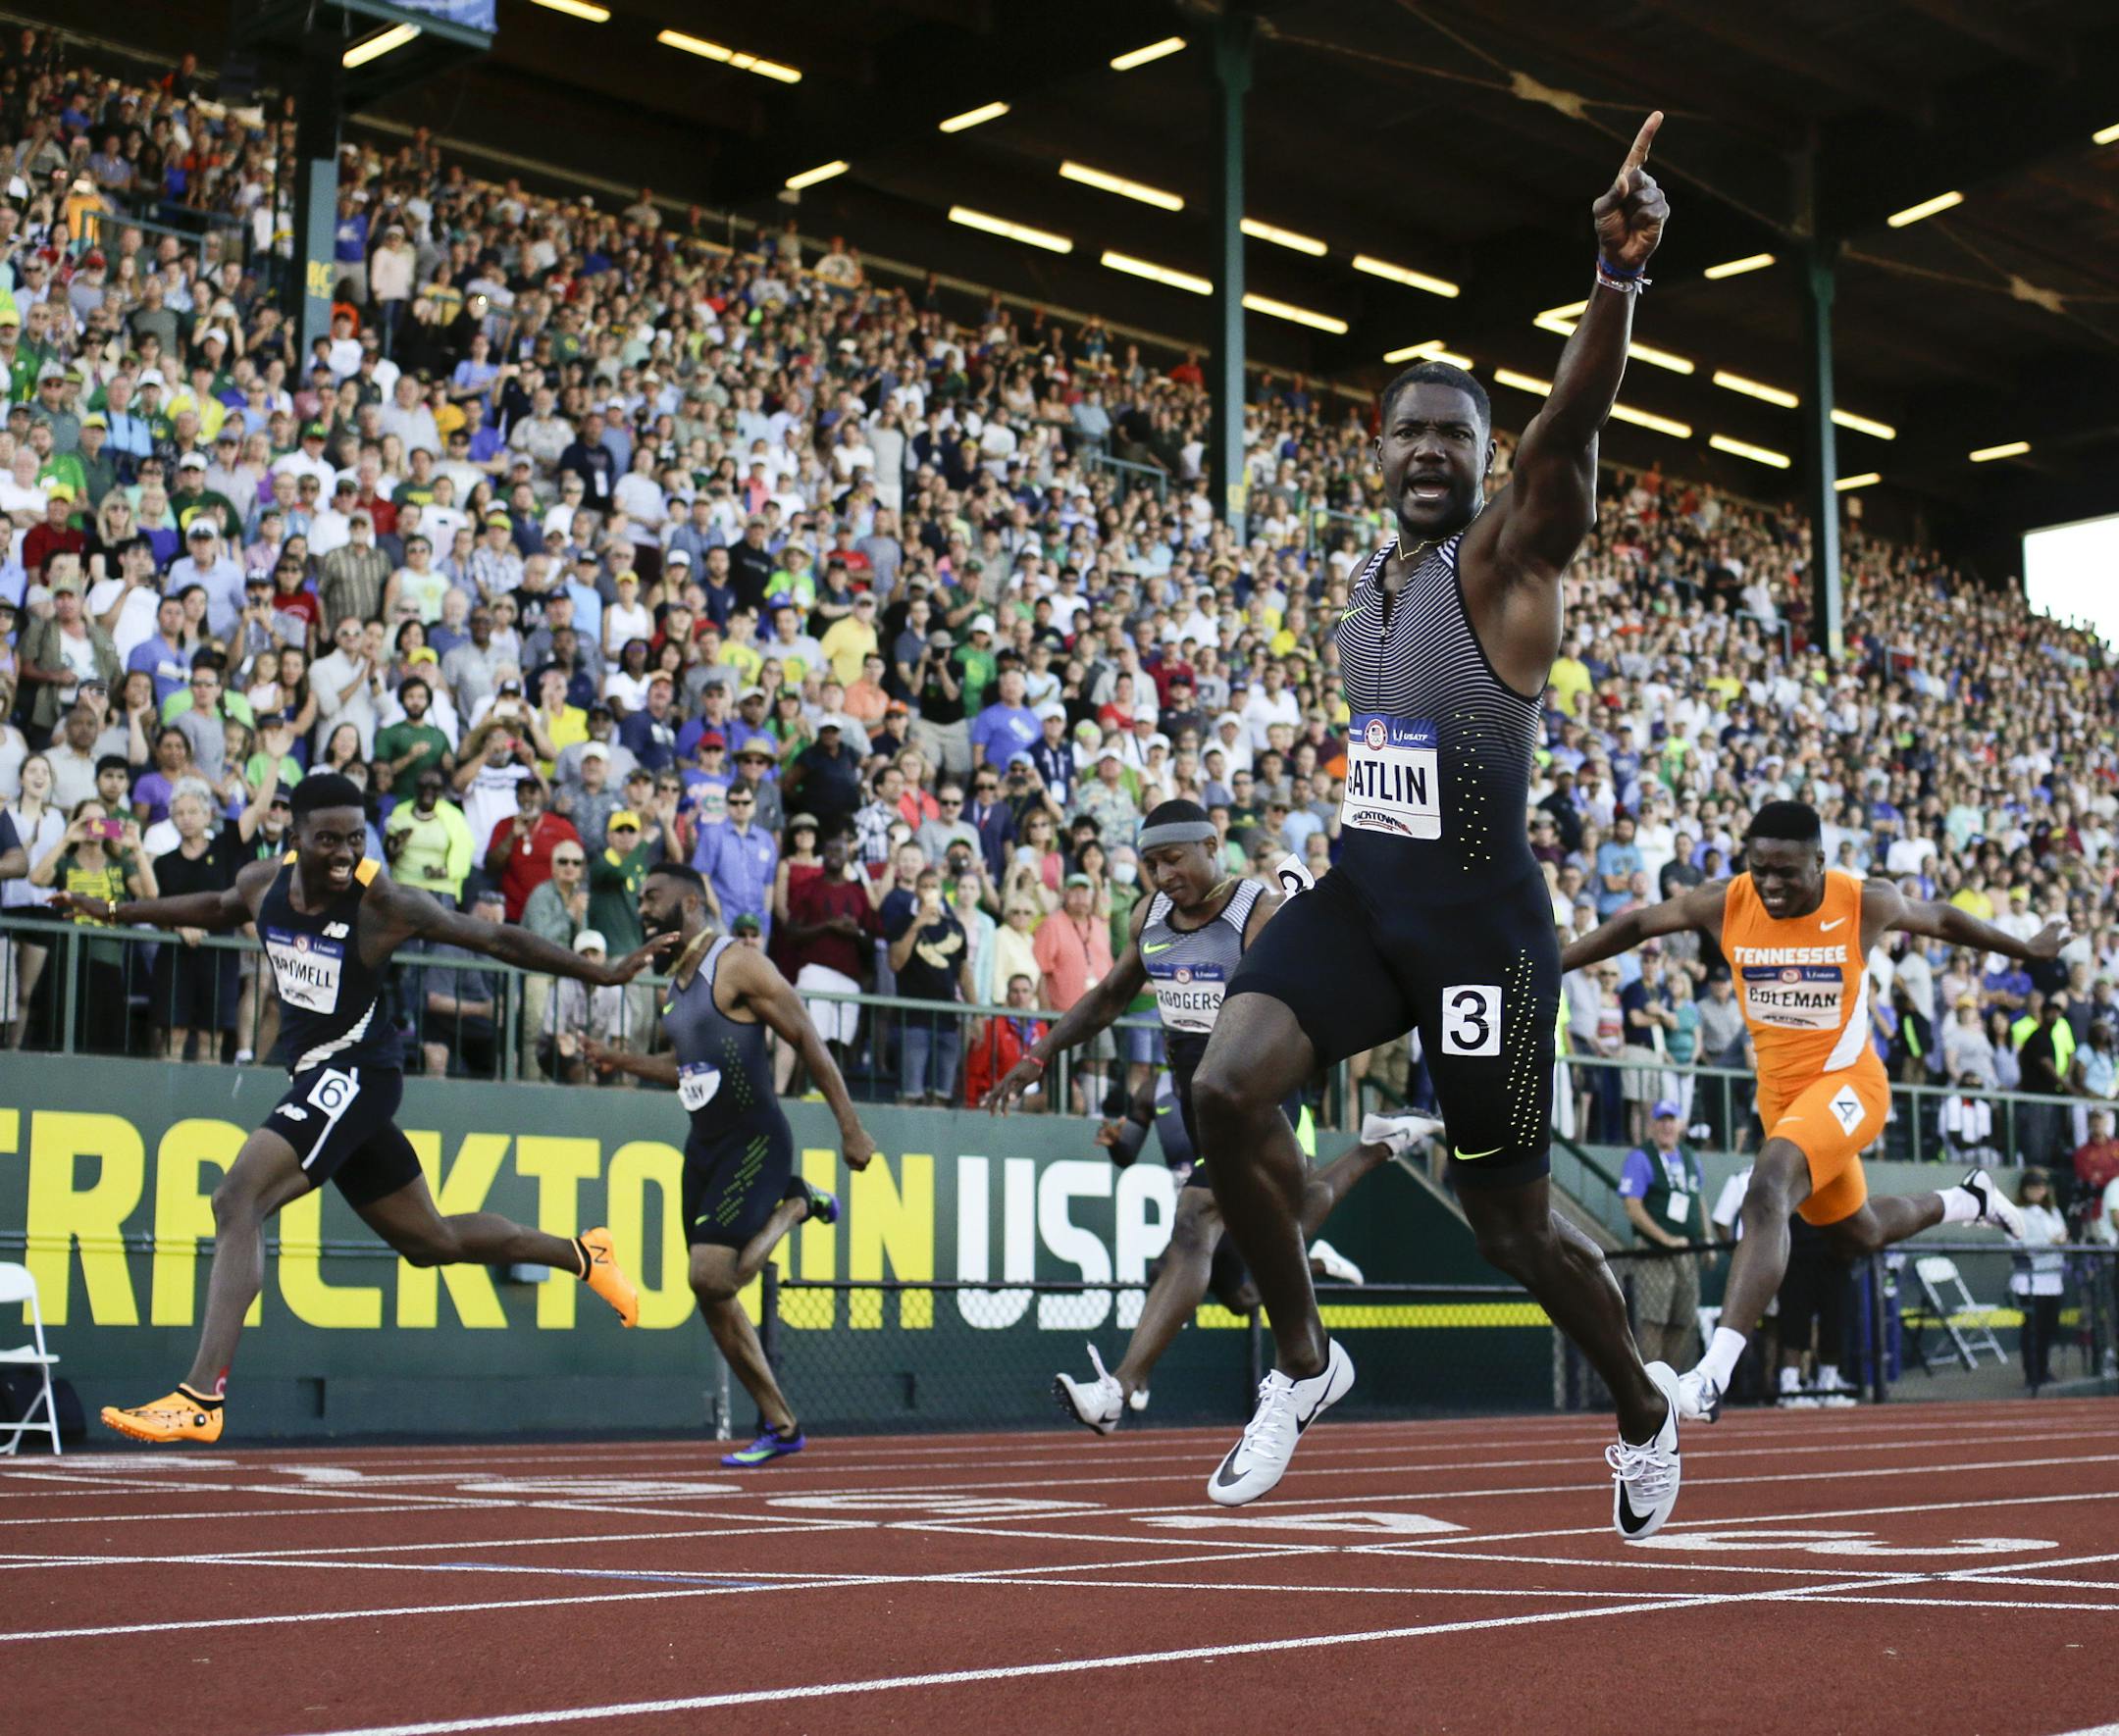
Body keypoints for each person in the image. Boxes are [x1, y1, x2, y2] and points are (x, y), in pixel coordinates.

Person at [1186, 116, 1687, 1534]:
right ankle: (1304, 1359)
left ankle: (1641, 1406)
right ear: (1377, 445)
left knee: (1512, 1224)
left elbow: (1572, 421)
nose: (1426, 451)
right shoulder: (1361, 582)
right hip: (1367, 898)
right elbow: (1387, 749)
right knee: (1224, 1088)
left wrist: (1615, 276)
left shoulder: (1510, 556)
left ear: (1485, 457)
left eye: (1453, 436)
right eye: (1405, 429)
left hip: (1481, 929)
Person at [51, 772, 671, 1444]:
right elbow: (213, 905)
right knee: (430, 1241)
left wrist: (602, 972)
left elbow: (498, 941)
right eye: (328, 841)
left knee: (238, 1199)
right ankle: (584, 1254)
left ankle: (201, 1396)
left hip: (358, 1073)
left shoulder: (382, 903)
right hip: (321, 1079)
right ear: (294, 839)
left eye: (355, 837)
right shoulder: (264, 882)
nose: (345, 854)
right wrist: (112, 912)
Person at [1562, 798, 2053, 1430]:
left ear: (1820, 862)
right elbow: (1636, 927)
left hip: (1850, 1087)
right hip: (1784, 1102)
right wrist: (1557, 963)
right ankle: (1969, 1200)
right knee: (1861, 1232)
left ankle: (1711, 1375)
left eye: (1787, 872)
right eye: (1759, 866)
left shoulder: (1861, 900)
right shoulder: (1727, 901)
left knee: (1768, 1188)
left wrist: (2026, 947)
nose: (1770, 884)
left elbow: (1945, 921)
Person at [985, 801, 1436, 1431]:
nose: (1163, 875)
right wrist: (1040, 1055)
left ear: (1211, 845)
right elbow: (1110, 995)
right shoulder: (1149, 917)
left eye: (1173, 859)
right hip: (1196, 1090)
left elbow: (1300, 1002)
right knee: (1282, 1221)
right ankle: (1378, 1146)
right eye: (1150, 864)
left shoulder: (1258, 910)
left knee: (1200, 1221)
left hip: (1255, 1085)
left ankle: (1121, 1387)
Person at [584, 863, 877, 1467]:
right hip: (705, 1150)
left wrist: (851, 1126)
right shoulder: (674, 985)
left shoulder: (737, 963)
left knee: (711, 1278)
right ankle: (781, 1423)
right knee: (712, 1296)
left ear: (690, 904)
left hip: (754, 1141)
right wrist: (621, 1061)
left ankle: (796, 1204)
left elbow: (807, 1037)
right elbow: (686, 1067)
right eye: (639, 900)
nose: (641, 909)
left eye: (652, 898)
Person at [1617, 1099, 1707, 1368]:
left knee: (1684, 1320)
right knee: (1653, 1321)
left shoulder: (1690, 1156)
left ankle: (1674, 1382)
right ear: (1652, 1125)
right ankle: (1651, 1384)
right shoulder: (1641, 1157)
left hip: (1686, 1251)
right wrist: (1665, 1239)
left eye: (1672, 1120)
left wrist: (1706, 1239)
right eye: (1661, 1120)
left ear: (1680, 1125)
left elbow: (1698, 1199)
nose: (1667, 1126)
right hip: (1654, 1254)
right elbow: (1633, 1207)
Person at [2010, 1167, 2066, 1389]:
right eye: (2032, 1187)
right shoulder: (2017, 1213)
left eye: (2040, 1187)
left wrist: (2057, 1242)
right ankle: (2032, 1373)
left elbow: (2061, 1234)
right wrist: (2050, 1243)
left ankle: (2043, 1369)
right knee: (2032, 1328)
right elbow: (2020, 1244)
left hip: (2052, 1277)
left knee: (2047, 1328)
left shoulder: (2053, 1212)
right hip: (2030, 1279)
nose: (2037, 1191)